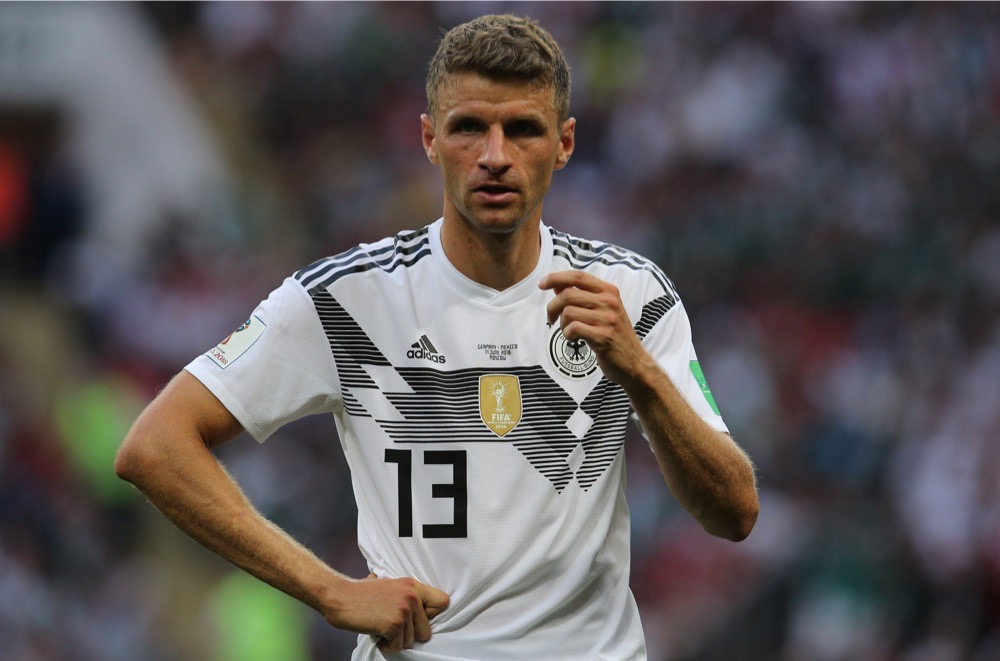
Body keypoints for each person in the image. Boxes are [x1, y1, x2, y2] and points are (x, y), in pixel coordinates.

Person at [115, 13, 759, 660]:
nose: (495, 156)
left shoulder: (630, 293)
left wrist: (639, 371)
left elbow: (734, 512)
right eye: (469, 128)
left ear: (564, 144)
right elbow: (155, 445)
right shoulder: (348, 297)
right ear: (428, 137)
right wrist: (330, 589)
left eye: (524, 130)